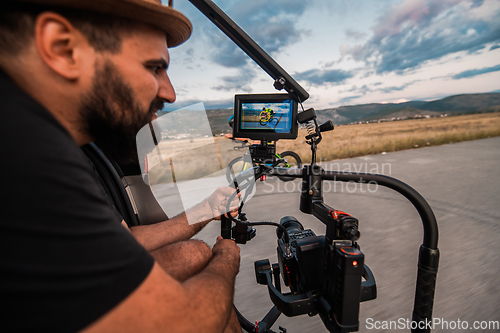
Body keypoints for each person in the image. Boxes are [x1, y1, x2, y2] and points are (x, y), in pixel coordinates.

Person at [0, 0, 242, 332]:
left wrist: (207, 209)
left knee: (195, 255)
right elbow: (182, 323)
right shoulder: (23, 146)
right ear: (62, 48)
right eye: (154, 67)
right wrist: (227, 259)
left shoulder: (60, 143)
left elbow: (124, 239)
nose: (170, 93)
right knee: (203, 261)